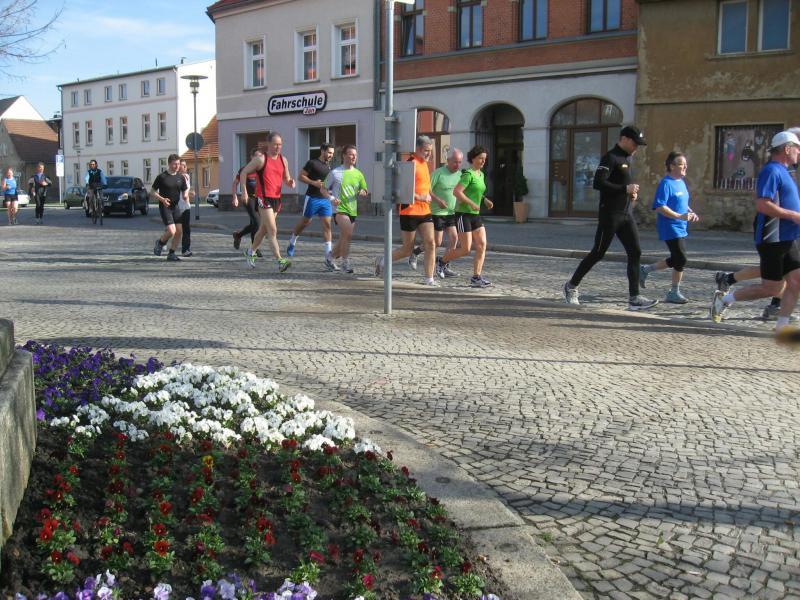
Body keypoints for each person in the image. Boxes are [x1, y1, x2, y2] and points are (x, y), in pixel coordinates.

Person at [711, 130, 800, 332]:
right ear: (787, 149)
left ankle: (782, 326)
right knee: (772, 288)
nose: (799, 152)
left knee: (796, 281)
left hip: (789, 238)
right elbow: (763, 205)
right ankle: (724, 300)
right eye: (797, 148)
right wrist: (793, 216)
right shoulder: (772, 171)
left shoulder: (786, 172)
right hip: (772, 239)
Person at [563, 126, 658, 310]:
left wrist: (630, 193)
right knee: (598, 252)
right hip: (610, 214)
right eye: (635, 143)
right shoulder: (611, 157)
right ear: (624, 139)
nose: (636, 147)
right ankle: (571, 286)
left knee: (635, 252)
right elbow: (598, 183)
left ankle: (634, 298)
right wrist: (624, 189)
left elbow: (621, 183)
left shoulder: (627, 159)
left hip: (626, 214)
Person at [374, 135, 438, 286]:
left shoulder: (424, 164)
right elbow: (400, 190)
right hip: (409, 211)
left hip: (425, 211)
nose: (429, 154)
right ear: (417, 149)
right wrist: (420, 197)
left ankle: (429, 279)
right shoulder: (410, 164)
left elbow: (426, 187)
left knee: (431, 243)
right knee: (407, 249)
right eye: (426, 150)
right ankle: (382, 261)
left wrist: (437, 199)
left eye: (430, 151)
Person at [639, 152, 700, 303]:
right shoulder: (666, 183)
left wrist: (690, 212)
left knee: (677, 258)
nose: (685, 167)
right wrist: (679, 216)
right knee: (681, 258)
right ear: (672, 166)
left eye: (685, 164)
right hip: (669, 226)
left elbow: (682, 202)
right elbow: (659, 206)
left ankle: (645, 270)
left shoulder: (681, 182)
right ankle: (673, 292)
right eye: (681, 164)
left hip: (681, 225)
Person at [239, 131, 296, 272]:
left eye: (280, 144)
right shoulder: (261, 159)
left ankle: (251, 252)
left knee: (263, 229)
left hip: (277, 199)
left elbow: (286, 178)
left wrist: (290, 182)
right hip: (263, 198)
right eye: (275, 144)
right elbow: (244, 172)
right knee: (272, 230)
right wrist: (244, 191)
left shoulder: (283, 160)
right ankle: (280, 261)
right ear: (269, 144)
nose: (278, 147)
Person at [438, 145, 494, 287]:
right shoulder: (468, 174)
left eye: (485, 159)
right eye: (480, 158)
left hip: (475, 215)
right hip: (464, 215)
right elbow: (457, 192)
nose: (483, 161)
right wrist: (471, 203)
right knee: (465, 249)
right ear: (473, 159)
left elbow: (476, 192)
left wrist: (484, 200)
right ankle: (442, 261)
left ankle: (476, 277)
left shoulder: (481, 175)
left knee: (482, 244)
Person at [286, 143, 337, 270]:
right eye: (329, 152)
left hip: (325, 199)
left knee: (327, 226)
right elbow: (300, 177)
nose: (331, 155)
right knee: (305, 222)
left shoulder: (328, 166)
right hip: (312, 198)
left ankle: (328, 257)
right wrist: (314, 182)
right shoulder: (312, 163)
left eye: (332, 153)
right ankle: (292, 241)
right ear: (322, 151)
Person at [324, 144, 368, 273]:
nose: (354, 157)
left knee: (345, 236)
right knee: (347, 234)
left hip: (352, 210)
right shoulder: (335, 173)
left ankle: (330, 258)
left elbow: (365, 190)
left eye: (355, 155)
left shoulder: (358, 174)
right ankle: (345, 263)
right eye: (351, 154)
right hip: (339, 210)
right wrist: (332, 199)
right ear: (344, 156)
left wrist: (362, 192)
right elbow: (323, 189)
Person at [424, 148, 463, 278]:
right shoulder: (438, 173)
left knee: (454, 239)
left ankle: (444, 265)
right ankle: (424, 261)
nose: (457, 165)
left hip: (450, 212)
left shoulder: (460, 175)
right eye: (455, 162)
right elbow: (427, 189)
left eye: (460, 162)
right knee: (437, 242)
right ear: (448, 160)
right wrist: (438, 200)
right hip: (437, 212)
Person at [151, 153, 188, 262]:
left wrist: (185, 195)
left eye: (178, 164)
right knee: (172, 231)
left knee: (179, 231)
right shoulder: (162, 177)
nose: (177, 166)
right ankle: (160, 242)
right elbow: (152, 192)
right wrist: (162, 199)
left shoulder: (180, 177)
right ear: (169, 164)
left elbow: (185, 188)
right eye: (174, 164)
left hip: (175, 207)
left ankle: (171, 253)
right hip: (165, 207)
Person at [232, 148, 263, 257]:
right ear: (251, 157)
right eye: (256, 156)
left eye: (260, 156)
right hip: (248, 198)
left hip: (260, 199)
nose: (259, 158)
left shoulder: (262, 169)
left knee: (255, 224)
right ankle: (255, 248)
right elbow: (235, 183)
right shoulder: (245, 169)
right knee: (257, 222)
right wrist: (235, 197)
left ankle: (238, 235)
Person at [178, 160, 193, 257]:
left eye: (184, 165)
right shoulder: (176, 177)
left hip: (186, 206)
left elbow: (185, 191)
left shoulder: (187, 177)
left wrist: (189, 194)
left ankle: (185, 249)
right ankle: (162, 242)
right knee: (175, 229)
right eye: (181, 165)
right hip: (177, 206)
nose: (182, 167)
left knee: (186, 229)